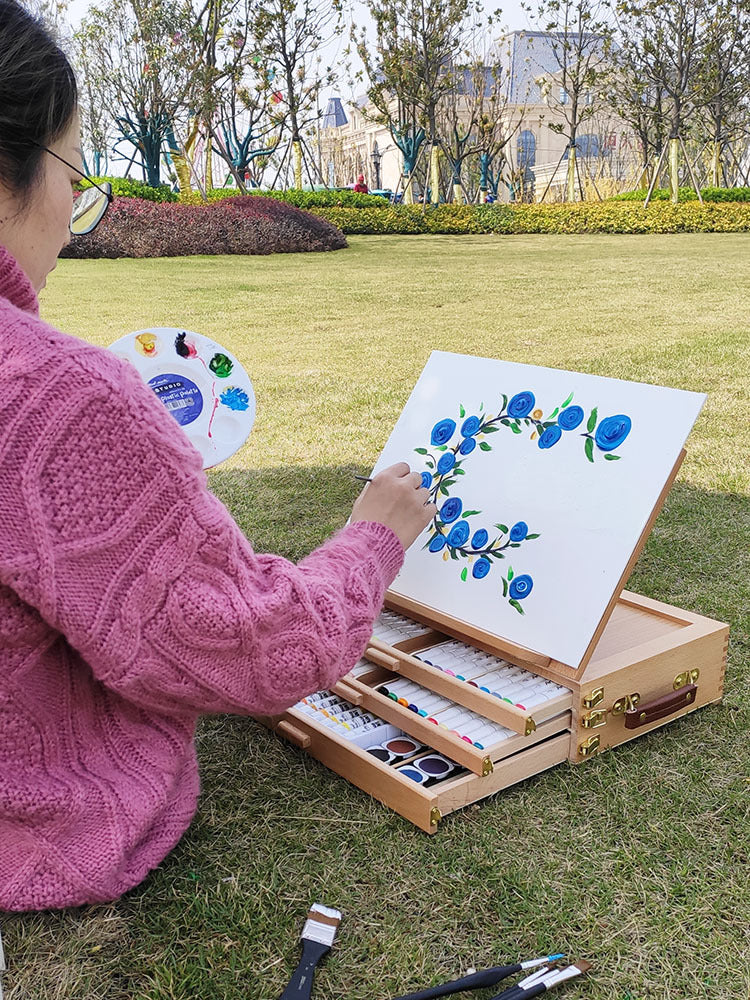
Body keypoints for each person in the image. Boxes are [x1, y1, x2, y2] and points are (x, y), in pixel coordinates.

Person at [0, 0, 436, 912]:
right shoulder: (56, 398)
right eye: (74, 175)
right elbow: (253, 649)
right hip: (35, 830)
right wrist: (371, 541)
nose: (72, 225)